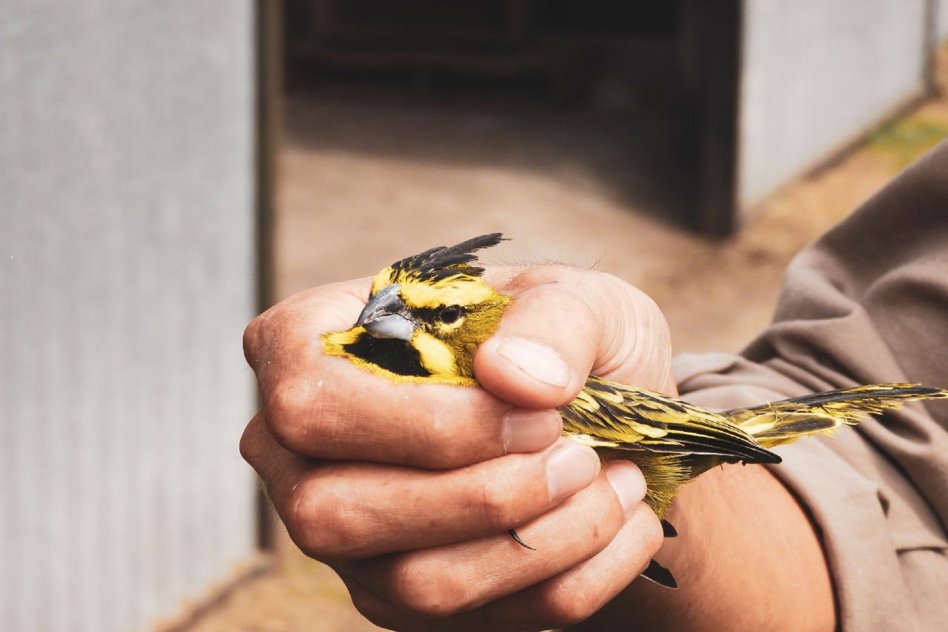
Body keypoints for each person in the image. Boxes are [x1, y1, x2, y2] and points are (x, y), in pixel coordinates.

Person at [240, 142, 948, 631]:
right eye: (382, 306)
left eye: (444, 313)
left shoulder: (539, 394)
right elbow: (889, 477)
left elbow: (665, 436)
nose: (382, 321)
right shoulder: (479, 376)